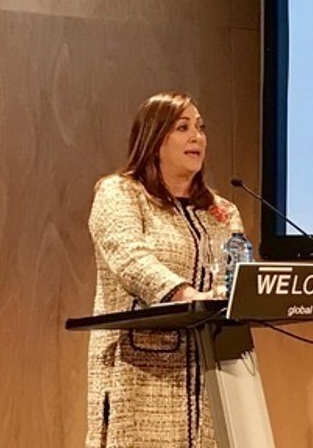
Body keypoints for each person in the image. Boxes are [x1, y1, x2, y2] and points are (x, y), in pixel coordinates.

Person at [86, 92, 245, 448]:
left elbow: (237, 274)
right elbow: (130, 258)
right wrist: (186, 294)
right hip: (140, 370)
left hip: (212, 369)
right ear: (154, 138)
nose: (197, 137)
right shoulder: (120, 193)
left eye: (201, 128)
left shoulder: (222, 210)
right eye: (182, 128)